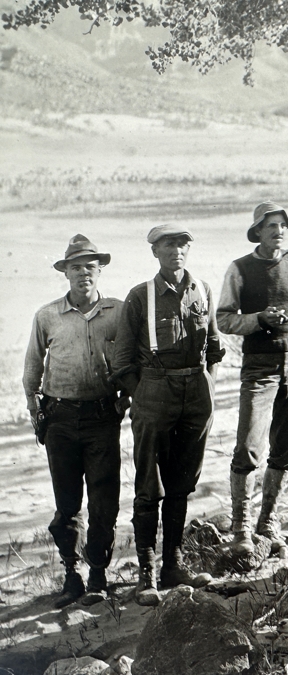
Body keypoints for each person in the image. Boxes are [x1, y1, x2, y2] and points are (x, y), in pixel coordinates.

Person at [113, 224, 225, 605]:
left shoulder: (204, 290)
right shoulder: (139, 297)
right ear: (154, 252)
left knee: (183, 483)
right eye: (167, 244)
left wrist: (207, 385)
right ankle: (147, 571)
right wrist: (143, 393)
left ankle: (173, 565)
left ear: (189, 249)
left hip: (195, 392)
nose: (176, 250)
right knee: (149, 484)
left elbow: (213, 347)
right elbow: (122, 361)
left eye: (181, 243)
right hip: (154, 392)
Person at [23, 235, 126, 608]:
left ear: (100, 271)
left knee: (104, 501)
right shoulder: (47, 315)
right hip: (60, 418)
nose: (84, 272)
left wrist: (125, 397)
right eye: (76, 266)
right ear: (65, 272)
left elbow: (130, 359)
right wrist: (36, 410)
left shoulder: (118, 311)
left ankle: (97, 572)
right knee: (67, 502)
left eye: (90, 266)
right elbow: (33, 366)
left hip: (102, 416)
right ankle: (72, 573)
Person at [218, 202, 288, 555]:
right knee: (248, 446)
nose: (278, 231)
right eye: (271, 226)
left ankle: (267, 522)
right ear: (257, 231)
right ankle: (241, 530)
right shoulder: (239, 269)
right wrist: (259, 319)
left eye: (282, 225)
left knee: (285, 444)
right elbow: (224, 319)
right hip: (259, 367)